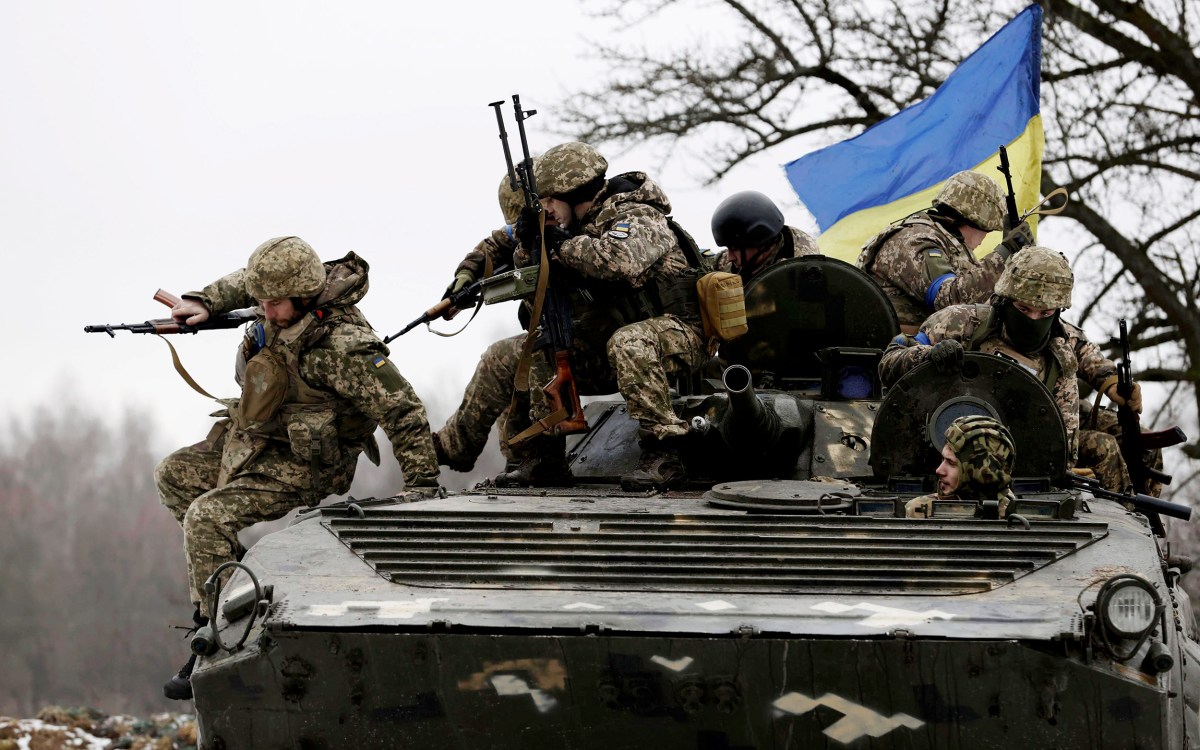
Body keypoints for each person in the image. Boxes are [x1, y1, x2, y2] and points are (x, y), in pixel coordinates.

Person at [155, 237, 440, 700]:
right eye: (260, 301)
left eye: (275, 303)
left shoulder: (344, 348)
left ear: (305, 295)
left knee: (206, 517)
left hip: (308, 464)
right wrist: (203, 302)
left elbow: (403, 411)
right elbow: (244, 284)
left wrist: (423, 485)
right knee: (174, 474)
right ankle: (232, 584)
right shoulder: (278, 296)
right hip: (258, 440)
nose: (265, 310)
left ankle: (219, 635)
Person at [499, 141, 708, 491]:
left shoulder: (639, 214)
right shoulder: (574, 227)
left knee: (630, 341)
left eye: (550, 199)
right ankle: (546, 458)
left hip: (680, 336)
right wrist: (529, 244)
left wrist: (558, 243)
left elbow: (618, 260)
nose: (545, 209)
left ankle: (664, 452)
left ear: (576, 192)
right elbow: (530, 281)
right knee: (540, 344)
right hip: (614, 349)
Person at [879, 245, 1141, 492]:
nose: (1033, 319)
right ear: (1005, 300)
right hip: (946, 454)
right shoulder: (960, 323)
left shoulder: (1064, 341)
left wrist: (1114, 382)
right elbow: (890, 363)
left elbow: (1093, 360)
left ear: (1058, 311)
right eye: (1023, 309)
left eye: (1045, 313)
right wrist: (927, 356)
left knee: (1121, 443)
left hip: (1035, 458)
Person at [432, 174, 535, 476]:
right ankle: (521, 457)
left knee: (502, 359)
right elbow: (492, 245)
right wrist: (466, 278)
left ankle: (457, 447)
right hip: (568, 336)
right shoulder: (536, 228)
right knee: (516, 363)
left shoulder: (588, 226)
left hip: (599, 336)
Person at [857, 170, 1034, 333]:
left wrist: (1016, 263)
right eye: (987, 231)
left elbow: (982, 306)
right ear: (974, 220)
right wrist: (1003, 254)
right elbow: (949, 300)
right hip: (899, 349)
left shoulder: (949, 245)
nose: (984, 238)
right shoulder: (917, 239)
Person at [906, 415, 1017, 518]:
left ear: (983, 471)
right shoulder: (920, 511)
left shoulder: (1017, 517)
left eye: (951, 463)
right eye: (943, 459)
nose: (939, 470)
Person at [710, 190, 819, 280]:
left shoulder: (800, 271)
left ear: (760, 240)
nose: (730, 257)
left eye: (734, 249)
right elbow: (713, 263)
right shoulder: (744, 256)